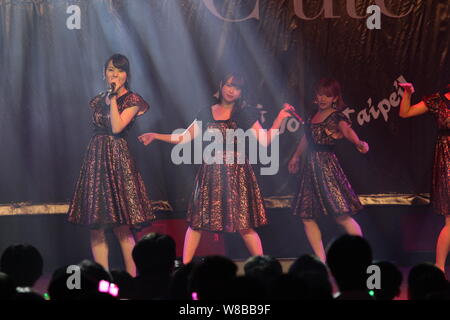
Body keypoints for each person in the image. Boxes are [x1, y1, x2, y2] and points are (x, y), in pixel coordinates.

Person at [139, 72, 294, 264]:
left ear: (241, 92)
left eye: (236, 88)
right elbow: (184, 137)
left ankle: (263, 268)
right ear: (221, 86)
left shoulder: (244, 113)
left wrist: (280, 119)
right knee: (197, 223)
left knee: (244, 226)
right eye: (229, 85)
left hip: (237, 174)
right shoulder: (206, 112)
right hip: (211, 174)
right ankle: (186, 268)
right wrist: (155, 135)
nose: (231, 90)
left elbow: (265, 141)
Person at [67, 54, 155, 276]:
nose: (114, 74)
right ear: (103, 73)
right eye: (110, 70)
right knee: (96, 227)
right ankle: (101, 280)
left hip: (118, 159)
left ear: (127, 75)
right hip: (96, 157)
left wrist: (114, 99)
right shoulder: (97, 100)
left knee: (122, 228)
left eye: (120, 70)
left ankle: (133, 280)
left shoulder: (133, 100)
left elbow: (116, 127)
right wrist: (107, 99)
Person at [288, 78, 369, 262]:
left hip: (327, 167)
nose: (323, 98)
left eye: (328, 95)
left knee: (342, 215)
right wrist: (295, 156)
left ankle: (362, 256)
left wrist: (359, 143)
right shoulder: (312, 116)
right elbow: (306, 139)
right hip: (310, 168)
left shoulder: (336, 116)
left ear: (335, 98)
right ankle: (321, 261)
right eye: (320, 94)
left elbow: (347, 131)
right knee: (307, 216)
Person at [399, 82, 450, 273]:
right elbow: (405, 113)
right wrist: (408, 93)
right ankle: (439, 267)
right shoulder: (438, 100)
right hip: (447, 163)